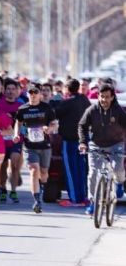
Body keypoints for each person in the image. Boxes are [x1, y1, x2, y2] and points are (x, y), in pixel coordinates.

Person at [78, 84, 126, 215]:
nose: (104, 100)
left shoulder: (118, 111)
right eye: (101, 96)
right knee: (93, 173)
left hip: (116, 144)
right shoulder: (92, 110)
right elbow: (82, 125)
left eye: (107, 97)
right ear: (98, 96)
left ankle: (120, 183)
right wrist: (83, 143)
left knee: (118, 169)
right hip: (96, 145)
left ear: (112, 97)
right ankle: (93, 202)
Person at [14, 84, 58, 213]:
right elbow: (18, 122)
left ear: (39, 95)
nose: (33, 95)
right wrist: (17, 134)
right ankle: (37, 200)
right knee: (34, 170)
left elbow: (54, 124)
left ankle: (42, 187)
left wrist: (49, 129)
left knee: (43, 173)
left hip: (44, 145)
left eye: (35, 93)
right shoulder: (22, 109)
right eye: (30, 93)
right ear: (27, 95)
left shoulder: (46, 108)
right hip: (29, 145)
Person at [55, 78, 91, 205]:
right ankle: (84, 197)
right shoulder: (85, 100)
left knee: (71, 170)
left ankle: (75, 198)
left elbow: (55, 114)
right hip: (84, 141)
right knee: (82, 169)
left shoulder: (66, 102)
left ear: (67, 89)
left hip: (69, 141)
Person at [0, 79, 23, 203]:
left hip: (15, 140)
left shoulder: (20, 106)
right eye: (8, 89)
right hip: (1, 140)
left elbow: (24, 123)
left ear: (17, 91)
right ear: (4, 90)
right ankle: (2, 188)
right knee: (2, 166)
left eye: (13, 89)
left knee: (15, 164)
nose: (11, 92)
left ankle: (13, 190)